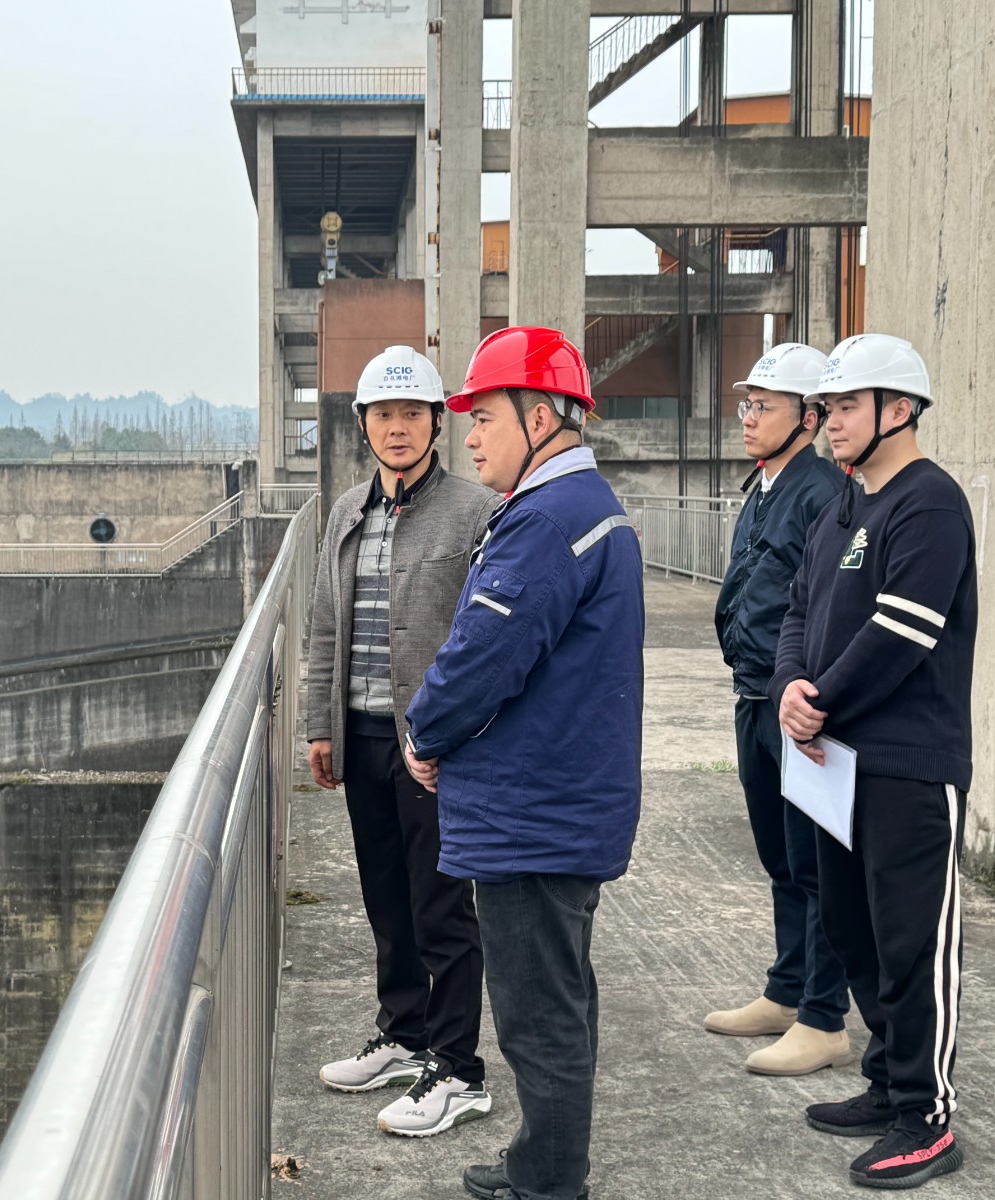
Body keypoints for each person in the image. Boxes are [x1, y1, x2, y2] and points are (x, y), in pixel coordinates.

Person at [402, 326, 643, 1200]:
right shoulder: (585, 507)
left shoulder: (545, 520)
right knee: (559, 1000)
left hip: (533, 815)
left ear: (540, 418)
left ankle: (548, 1180)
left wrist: (423, 733)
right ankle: (544, 1162)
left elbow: (481, 656)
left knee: (538, 1013)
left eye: (484, 417)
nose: (469, 437)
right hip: (562, 802)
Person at [771, 333, 976, 1190]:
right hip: (835, 762)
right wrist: (789, 686)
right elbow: (798, 609)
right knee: (852, 931)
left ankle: (927, 1116)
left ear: (900, 409)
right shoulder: (843, 507)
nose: (831, 422)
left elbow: (903, 631)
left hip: (908, 764)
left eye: (847, 406)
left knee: (911, 944)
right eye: (827, 408)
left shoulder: (930, 504)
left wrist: (819, 699)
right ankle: (889, 1081)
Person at [304, 344, 500, 1137]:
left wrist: (463, 735)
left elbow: (487, 634)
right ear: (363, 425)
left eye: (411, 413)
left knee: (441, 906)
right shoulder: (347, 511)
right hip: (361, 735)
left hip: (434, 746)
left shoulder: (475, 511)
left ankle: (458, 1066)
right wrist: (320, 724)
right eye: (383, 414)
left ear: (435, 423)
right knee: (386, 899)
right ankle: (403, 1034)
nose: (397, 427)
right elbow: (325, 622)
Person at [705, 343, 854, 1076]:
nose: (748, 416)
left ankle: (824, 1018)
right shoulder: (764, 485)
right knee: (780, 857)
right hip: (753, 693)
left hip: (797, 703)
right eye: (747, 403)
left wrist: (812, 696)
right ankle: (787, 990)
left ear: (809, 417)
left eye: (764, 405)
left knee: (816, 863)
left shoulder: (823, 493)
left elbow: (829, 607)